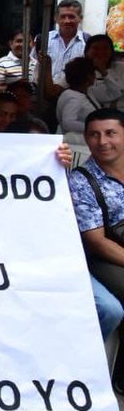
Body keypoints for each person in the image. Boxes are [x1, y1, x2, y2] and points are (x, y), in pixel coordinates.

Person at [68, 109, 124, 375]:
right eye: (94, 135)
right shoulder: (82, 180)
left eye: (111, 133)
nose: (103, 141)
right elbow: (97, 242)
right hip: (104, 257)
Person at [37, 0, 88, 99]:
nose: (67, 21)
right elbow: (34, 67)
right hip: (43, 98)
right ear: (56, 18)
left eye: (71, 17)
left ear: (80, 18)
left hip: (73, 99)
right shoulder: (43, 39)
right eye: (63, 16)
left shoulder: (87, 42)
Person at [57, 57, 98, 138]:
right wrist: (95, 127)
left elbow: (114, 93)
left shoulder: (86, 93)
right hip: (78, 143)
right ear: (89, 76)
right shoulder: (74, 98)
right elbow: (68, 123)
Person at [85, 34, 124, 109]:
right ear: (87, 51)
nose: (100, 52)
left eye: (105, 48)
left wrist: (103, 71)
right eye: (95, 48)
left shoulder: (121, 67)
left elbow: (117, 92)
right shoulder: (79, 68)